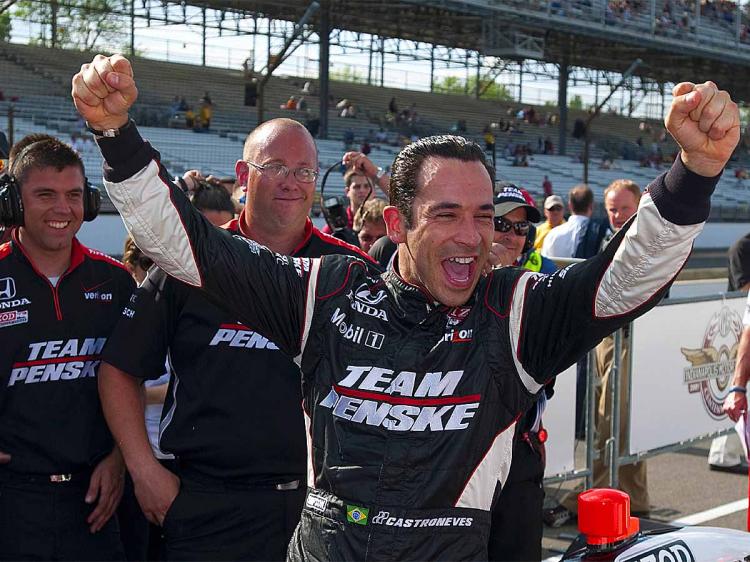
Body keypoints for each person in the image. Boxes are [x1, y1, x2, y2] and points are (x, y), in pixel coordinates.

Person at [72, 55, 737, 560]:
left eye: (482, 216)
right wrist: (116, 134)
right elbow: (189, 250)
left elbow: (622, 282)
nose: (472, 236)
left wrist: (693, 175)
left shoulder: (514, 314)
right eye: (445, 215)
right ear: (395, 222)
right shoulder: (329, 291)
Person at [96, 118, 377, 561]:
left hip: (322, 508)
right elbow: (118, 367)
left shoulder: (349, 269)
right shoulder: (187, 262)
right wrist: (143, 469)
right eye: (277, 167)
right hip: (207, 507)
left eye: (305, 171)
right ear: (243, 176)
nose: (293, 182)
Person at [0, 134, 135, 560]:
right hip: (11, 502)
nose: (63, 209)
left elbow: (131, 381)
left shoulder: (115, 283)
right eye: (45, 195)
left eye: (74, 195)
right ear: (13, 203)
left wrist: (118, 458)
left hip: (94, 499)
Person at [553, 179, 650, 525]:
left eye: (624, 208)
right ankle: (628, 495)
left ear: (638, 207)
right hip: (606, 337)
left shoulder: (646, 240)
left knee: (614, 421)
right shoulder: (610, 236)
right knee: (611, 420)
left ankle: (600, 496)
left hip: (628, 337)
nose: (617, 215)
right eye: (612, 209)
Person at [486, 186, 556, 561]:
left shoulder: (537, 288)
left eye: (521, 229)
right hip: (459, 451)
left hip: (519, 451)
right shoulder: (454, 279)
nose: (511, 236)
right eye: (501, 224)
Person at [541, 184, 593, 258]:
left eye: (558, 209)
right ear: (591, 206)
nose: (555, 212)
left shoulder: (552, 235)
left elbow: (544, 265)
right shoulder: (603, 234)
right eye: (551, 209)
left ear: (570, 206)